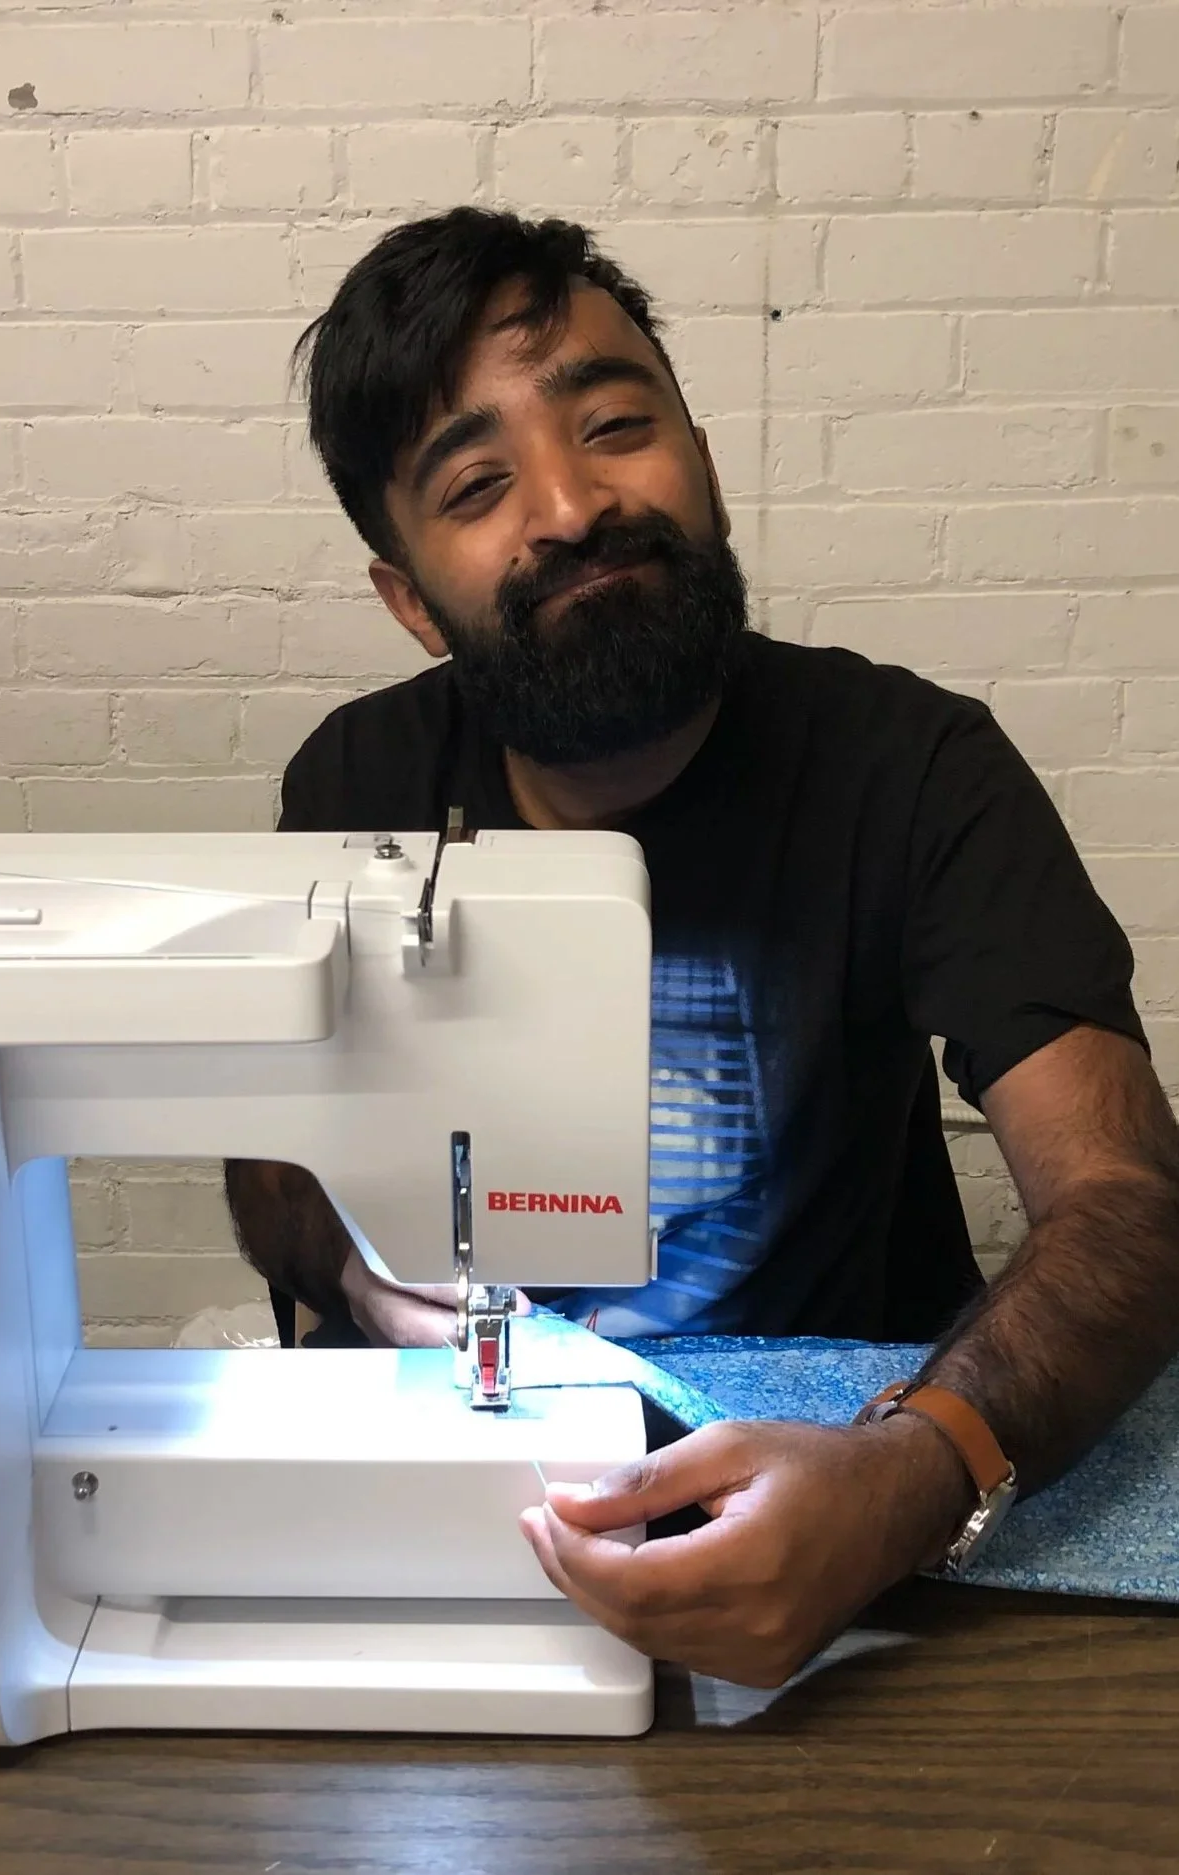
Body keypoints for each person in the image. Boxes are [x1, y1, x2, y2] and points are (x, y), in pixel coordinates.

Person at [225, 208, 1179, 1687]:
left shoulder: (915, 767)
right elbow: (272, 1182)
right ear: (410, 599)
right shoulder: (354, 786)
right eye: (479, 483)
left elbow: (1125, 1204)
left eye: (614, 423)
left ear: (702, 455)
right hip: (467, 1514)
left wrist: (917, 1474)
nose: (568, 505)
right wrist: (355, 1270)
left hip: (849, 1507)